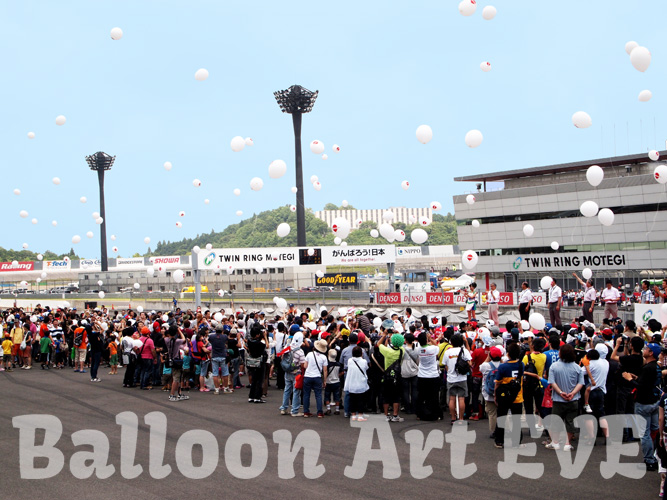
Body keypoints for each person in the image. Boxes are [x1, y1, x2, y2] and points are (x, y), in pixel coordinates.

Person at [622, 342, 662, 471]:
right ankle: (656, 456)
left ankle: (649, 459)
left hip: (644, 403)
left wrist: (629, 379)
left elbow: (642, 387)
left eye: (647, 349)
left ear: (651, 353)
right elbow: (648, 382)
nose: (644, 350)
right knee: (654, 430)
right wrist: (637, 378)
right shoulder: (655, 367)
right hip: (654, 402)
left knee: (645, 433)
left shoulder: (648, 367)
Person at [546, 344, 584, 451]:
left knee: (556, 421)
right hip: (573, 399)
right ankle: (567, 443)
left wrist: (560, 392)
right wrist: (572, 393)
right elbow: (581, 383)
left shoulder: (554, 366)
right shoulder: (577, 367)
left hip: (558, 399)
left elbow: (552, 382)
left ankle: (556, 442)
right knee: (570, 421)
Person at [494, 342, 524, 449]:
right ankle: (516, 441)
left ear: (508, 354)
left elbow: (498, 382)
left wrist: (495, 395)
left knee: (501, 417)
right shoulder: (521, 365)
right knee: (516, 420)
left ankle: (499, 441)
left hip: (504, 396)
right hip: (518, 396)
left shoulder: (503, 366)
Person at [444, 334, 472, 423]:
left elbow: (445, 365)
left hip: (451, 378)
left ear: (451, 342)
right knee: (461, 398)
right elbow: (470, 363)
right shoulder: (464, 351)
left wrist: (449, 372)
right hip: (462, 378)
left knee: (451, 398)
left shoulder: (448, 352)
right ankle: (461, 419)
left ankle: (453, 418)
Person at [280, 332, 306, 416]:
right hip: (296, 373)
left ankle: (284, 408)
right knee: (296, 391)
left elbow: (281, 356)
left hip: (287, 371)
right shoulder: (300, 351)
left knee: (287, 389)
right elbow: (303, 364)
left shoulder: (287, 347)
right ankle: (294, 410)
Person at [480, 346, 502, 438]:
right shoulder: (503, 366)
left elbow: (480, 368)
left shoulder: (486, 365)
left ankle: (493, 432)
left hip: (488, 393)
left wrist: (487, 358)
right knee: (501, 412)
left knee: (492, 413)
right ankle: (502, 430)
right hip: (500, 392)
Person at [303, 339, 329, 417]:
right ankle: (320, 412)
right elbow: (325, 370)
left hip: (308, 376)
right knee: (318, 395)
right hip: (317, 376)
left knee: (306, 394)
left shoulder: (309, 354)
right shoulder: (324, 357)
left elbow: (305, 366)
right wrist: (324, 381)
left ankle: (306, 412)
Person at [164, 325, 189, 402]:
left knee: (177, 377)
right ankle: (172, 394)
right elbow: (184, 340)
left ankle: (179, 393)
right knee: (176, 378)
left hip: (171, 359)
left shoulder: (166, 340)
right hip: (177, 360)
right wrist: (180, 331)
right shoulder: (177, 341)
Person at [345, 346, 370, 421]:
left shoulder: (350, 360)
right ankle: (360, 416)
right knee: (361, 400)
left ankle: (353, 415)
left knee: (352, 400)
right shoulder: (364, 361)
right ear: (361, 353)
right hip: (361, 383)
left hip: (352, 383)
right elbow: (366, 368)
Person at [246, 326, 267, 403]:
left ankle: (251, 396)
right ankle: (257, 397)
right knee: (259, 380)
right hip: (259, 362)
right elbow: (266, 346)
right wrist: (265, 337)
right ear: (257, 334)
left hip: (251, 361)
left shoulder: (249, 341)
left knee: (254, 379)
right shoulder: (260, 343)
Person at [209, 324, 230, 395]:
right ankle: (226, 388)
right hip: (223, 355)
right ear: (222, 330)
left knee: (215, 374)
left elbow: (209, 341)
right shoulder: (224, 336)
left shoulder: (212, 336)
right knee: (225, 373)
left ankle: (217, 389)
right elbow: (227, 342)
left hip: (214, 355)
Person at [401, 332, 420, 415]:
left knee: (405, 391)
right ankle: (414, 408)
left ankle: (407, 408)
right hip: (414, 372)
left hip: (404, 371)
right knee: (414, 390)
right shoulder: (416, 350)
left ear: (405, 340)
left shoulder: (402, 349)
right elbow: (418, 362)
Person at [325, 349, 342, 415]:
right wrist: (338, 375)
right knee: (337, 396)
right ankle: (337, 409)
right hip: (336, 381)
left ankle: (328, 409)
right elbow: (342, 372)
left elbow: (325, 372)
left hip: (329, 381)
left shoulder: (327, 364)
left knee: (327, 396)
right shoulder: (338, 364)